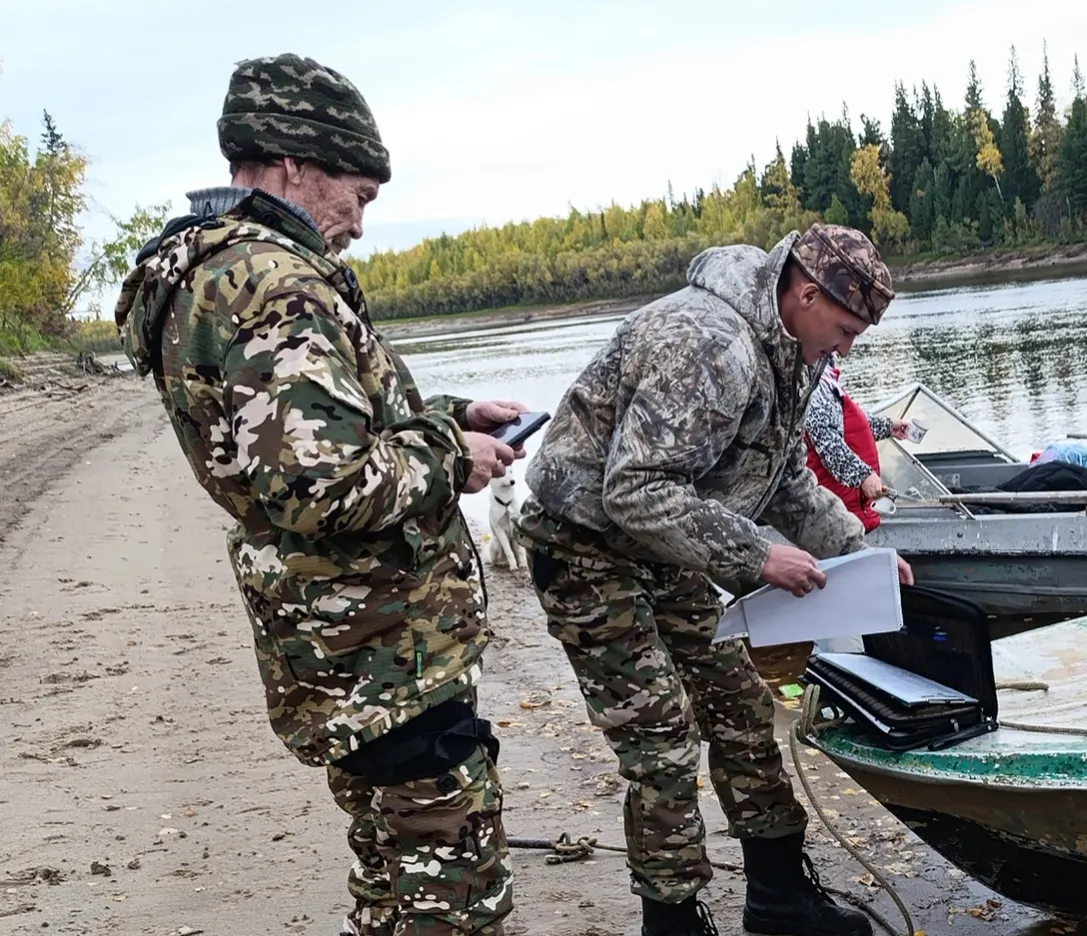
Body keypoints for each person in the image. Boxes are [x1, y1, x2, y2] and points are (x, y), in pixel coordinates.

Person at [114, 54, 521, 936]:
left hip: (333, 640)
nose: (360, 226)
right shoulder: (276, 288)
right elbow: (320, 486)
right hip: (382, 646)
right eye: (359, 197)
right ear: (296, 164)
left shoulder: (210, 273)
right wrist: (456, 456)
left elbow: (292, 438)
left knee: (388, 872)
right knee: (450, 898)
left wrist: (447, 415)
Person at [515, 222, 913, 936]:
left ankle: (778, 901)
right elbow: (633, 491)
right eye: (846, 327)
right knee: (661, 734)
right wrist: (758, 558)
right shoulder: (708, 344)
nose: (848, 347)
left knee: (740, 707)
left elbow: (785, 476)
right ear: (804, 291)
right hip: (586, 543)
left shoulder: (791, 348)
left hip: (669, 543)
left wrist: (860, 552)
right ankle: (671, 923)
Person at [804, 352, 910, 531]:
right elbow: (828, 442)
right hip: (836, 517)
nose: (844, 349)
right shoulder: (816, 387)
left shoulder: (826, 378)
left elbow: (847, 423)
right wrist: (863, 476)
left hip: (853, 510)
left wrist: (888, 426)